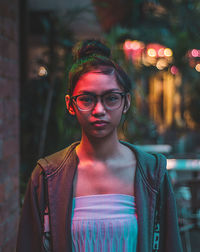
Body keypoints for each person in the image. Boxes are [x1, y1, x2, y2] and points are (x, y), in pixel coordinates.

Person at [17, 39, 183, 252]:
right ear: (70, 104)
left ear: (126, 102)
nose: (99, 110)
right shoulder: (47, 176)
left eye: (111, 98)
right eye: (87, 99)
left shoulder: (152, 172)